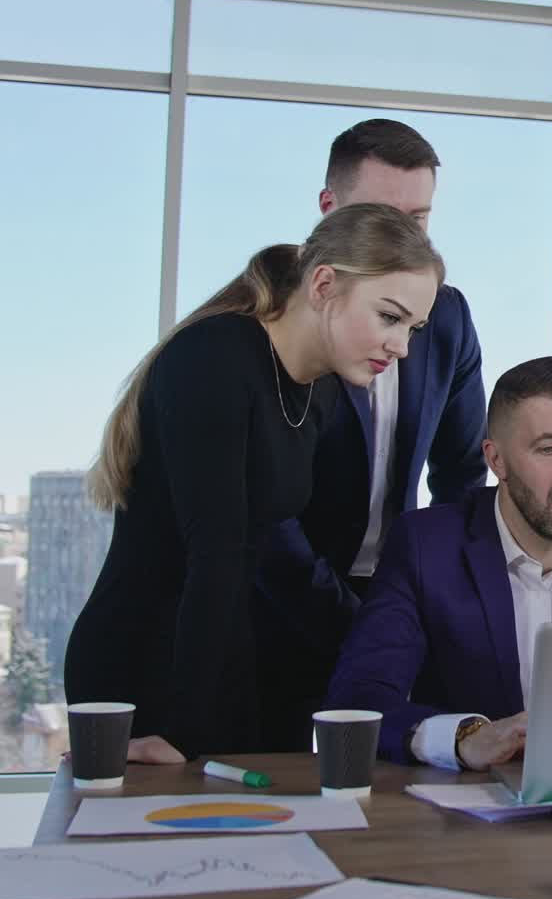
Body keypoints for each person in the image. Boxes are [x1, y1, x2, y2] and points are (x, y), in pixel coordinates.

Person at [63, 204, 443, 764]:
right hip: (144, 670)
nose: (402, 347)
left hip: (227, 663)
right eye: (389, 317)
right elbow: (216, 553)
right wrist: (186, 732)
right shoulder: (214, 356)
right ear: (323, 284)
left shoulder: (326, 389)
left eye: (412, 328)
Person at [325, 356, 552, 770]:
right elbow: (359, 697)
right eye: (549, 448)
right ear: (496, 459)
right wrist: (465, 737)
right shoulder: (425, 546)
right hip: (471, 813)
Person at [254, 119, 487, 750]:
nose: (404, 238)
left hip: (394, 594)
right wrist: (352, 621)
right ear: (329, 211)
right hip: (278, 603)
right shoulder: (279, 322)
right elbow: (267, 514)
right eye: (385, 215)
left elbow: (462, 475)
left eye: (419, 219)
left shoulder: (447, 317)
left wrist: (437, 601)